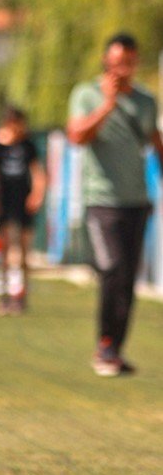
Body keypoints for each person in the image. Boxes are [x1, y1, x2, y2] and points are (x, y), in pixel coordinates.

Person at [67, 33, 163, 376]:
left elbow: (155, 141)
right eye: (116, 62)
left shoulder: (146, 101)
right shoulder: (87, 94)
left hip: (136, 201)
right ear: (106, 61)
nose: (122, 69)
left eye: (129, 62)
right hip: (101, 201)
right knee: (112, 268)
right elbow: (76, 136)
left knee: (127, 278)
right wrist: (107, 105)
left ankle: (114, 349)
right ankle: (105, 344)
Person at [0, 106, 47, 315]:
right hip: (5, 203)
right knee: (5, 252)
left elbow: (38, 173)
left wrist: (37, 194)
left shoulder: (28, 146)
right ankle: (5, 294)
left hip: (23, 204)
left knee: (24, 253)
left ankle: (21, 295)